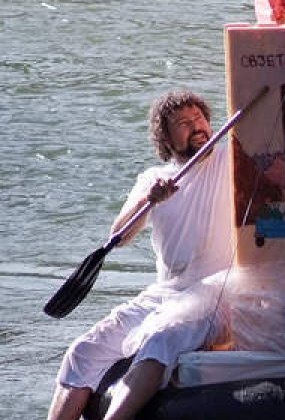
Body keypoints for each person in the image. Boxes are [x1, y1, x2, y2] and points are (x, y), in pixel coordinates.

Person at [47, 91, 234, 420]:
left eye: (200, 118)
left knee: (159, 342)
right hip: (165, 292)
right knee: (82, 351)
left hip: (215, 290)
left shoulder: (229, 160)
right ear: (165, 137)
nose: (197, 127)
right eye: (184, 123)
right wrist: (149, 201)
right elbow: (118, 236)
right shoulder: (152, 180)